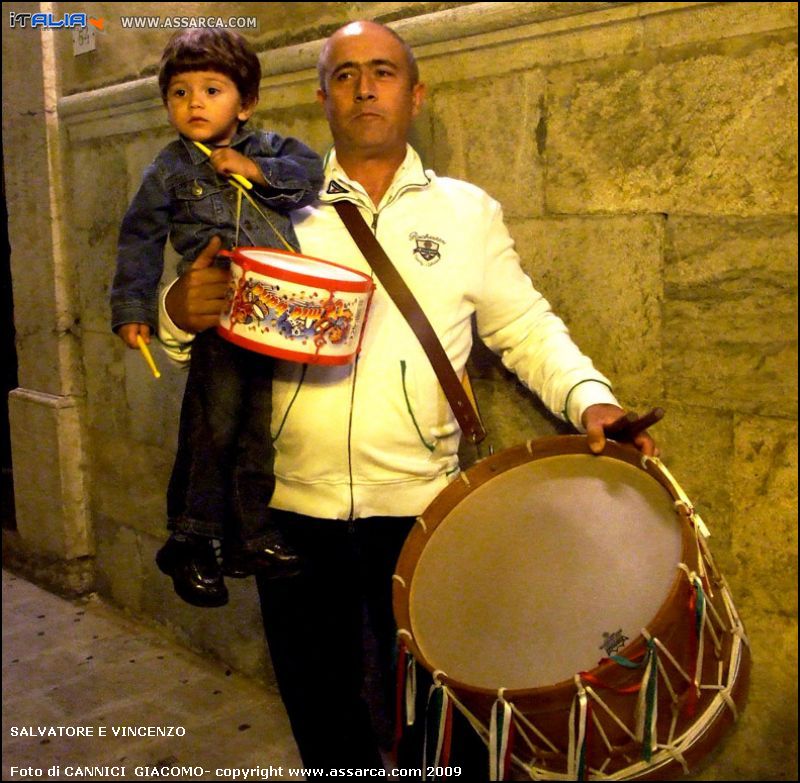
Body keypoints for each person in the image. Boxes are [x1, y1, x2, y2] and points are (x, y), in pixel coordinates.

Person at [159, 20, 657, 771]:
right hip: (289, 511)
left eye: (384, 71)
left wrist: (591, 399)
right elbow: (207, 327)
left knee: (440, 717)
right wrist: (174, 310)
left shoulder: (466, 213)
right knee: (322, 711)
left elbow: (524, 325)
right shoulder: (267, 202)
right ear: (322, 96)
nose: (365, 87)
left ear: (415, 93)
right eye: (347, 73)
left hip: (423, 512)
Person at [110, 29, 324, 608]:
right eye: (179, 93)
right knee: (213, 427)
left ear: (246, 102)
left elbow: (310, 177)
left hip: (270, 314)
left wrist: (254, 171)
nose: (194, 103)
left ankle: (250, 536)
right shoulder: (168, 170)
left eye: (211, 89)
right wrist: (133, 310)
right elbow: (139, 240)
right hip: (219, 311)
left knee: (256, 429)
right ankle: (192, 539)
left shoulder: (272, 148)